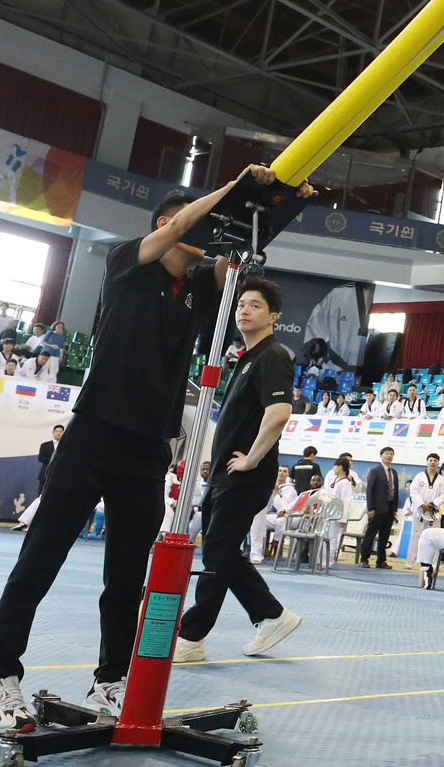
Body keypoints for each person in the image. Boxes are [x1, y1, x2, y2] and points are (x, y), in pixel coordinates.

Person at [0, 166, 306, 735]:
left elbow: (246, 246)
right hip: (94, 435)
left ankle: (110, 681)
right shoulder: (128, 263)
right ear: (166, 224)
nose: (207, 235)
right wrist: (233, 188)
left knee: (127, 578)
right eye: (195, 222)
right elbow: (199, 220)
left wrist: (285, 199)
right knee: (40, 561)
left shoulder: (201, 292)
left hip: (149, 450)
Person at [171, 279, 302, 664]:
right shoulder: (246, 357)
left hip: (244, 475)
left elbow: (278, 413)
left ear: (273, 317)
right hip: (225, 476)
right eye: (240, 304)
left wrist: (252, 459)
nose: (244, 310)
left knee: (217, 553)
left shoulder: (273, 354)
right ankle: (271, 615)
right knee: (222, 551)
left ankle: (192, 637)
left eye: (255, 305)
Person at [359, 447, 399, 569]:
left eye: (391, 454)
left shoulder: (394, 472)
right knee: (370, 535)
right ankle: (364, 559)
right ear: (381, 456)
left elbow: (395, 492)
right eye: (386, 454)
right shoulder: (375, 471)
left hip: (389, 510)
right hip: (376, 509)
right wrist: (370, 508)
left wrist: (394, 509)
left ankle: (381, 560)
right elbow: (370, 491)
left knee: (384, 536)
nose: (389, 456)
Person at [406, 453, 444, 561]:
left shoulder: (442, 479)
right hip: (420, 509)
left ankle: (433, 563)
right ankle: (410, 562)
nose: (433, 462)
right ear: (427, 462)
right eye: (431, 460)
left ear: (438, 463)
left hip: (434, 510)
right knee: (415, 536)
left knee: (434, 537)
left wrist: (433, 504)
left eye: (435, 460)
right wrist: (421, 504)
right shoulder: (419, 476)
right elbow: (413, 492)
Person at [36, 424, 63, 498]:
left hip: (60, 475)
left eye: (60, 431)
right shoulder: (45, 445)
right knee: (41, 496)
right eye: (56, 431)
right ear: (53, 432)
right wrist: (55, 459)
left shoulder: (66, 446)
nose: (58, 433)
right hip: (45, 474)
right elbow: (41, 458)